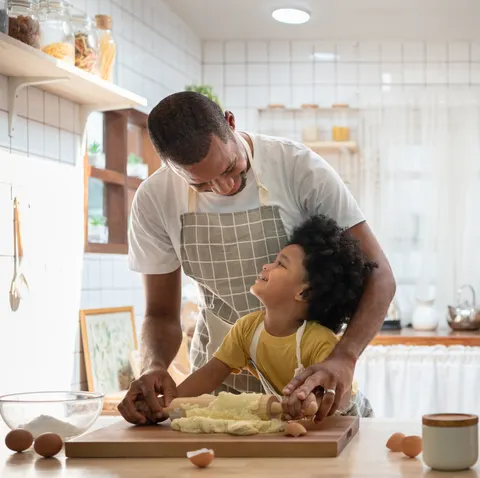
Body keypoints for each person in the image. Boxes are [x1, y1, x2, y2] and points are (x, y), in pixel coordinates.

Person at [118, 91, 396, 425]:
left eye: (231, 167)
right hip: (217, 393)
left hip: (304, 388)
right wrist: (154, 369)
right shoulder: (154, 200)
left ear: (230, 123)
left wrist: (344, 357)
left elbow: (380, 276)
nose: (225, 186)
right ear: (171, 168)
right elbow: (161, 313)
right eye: (202, 185)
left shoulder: (297, 168)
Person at [162, 214, 376, 421]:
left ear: (304, 293)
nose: (267, 266)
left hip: (350, 421)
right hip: (306, 425)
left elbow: (324, 398)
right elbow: (209, 375)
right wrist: (166, 404)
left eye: (280, 264)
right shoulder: (246, 330)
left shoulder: (319, 342)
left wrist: (306, 399)